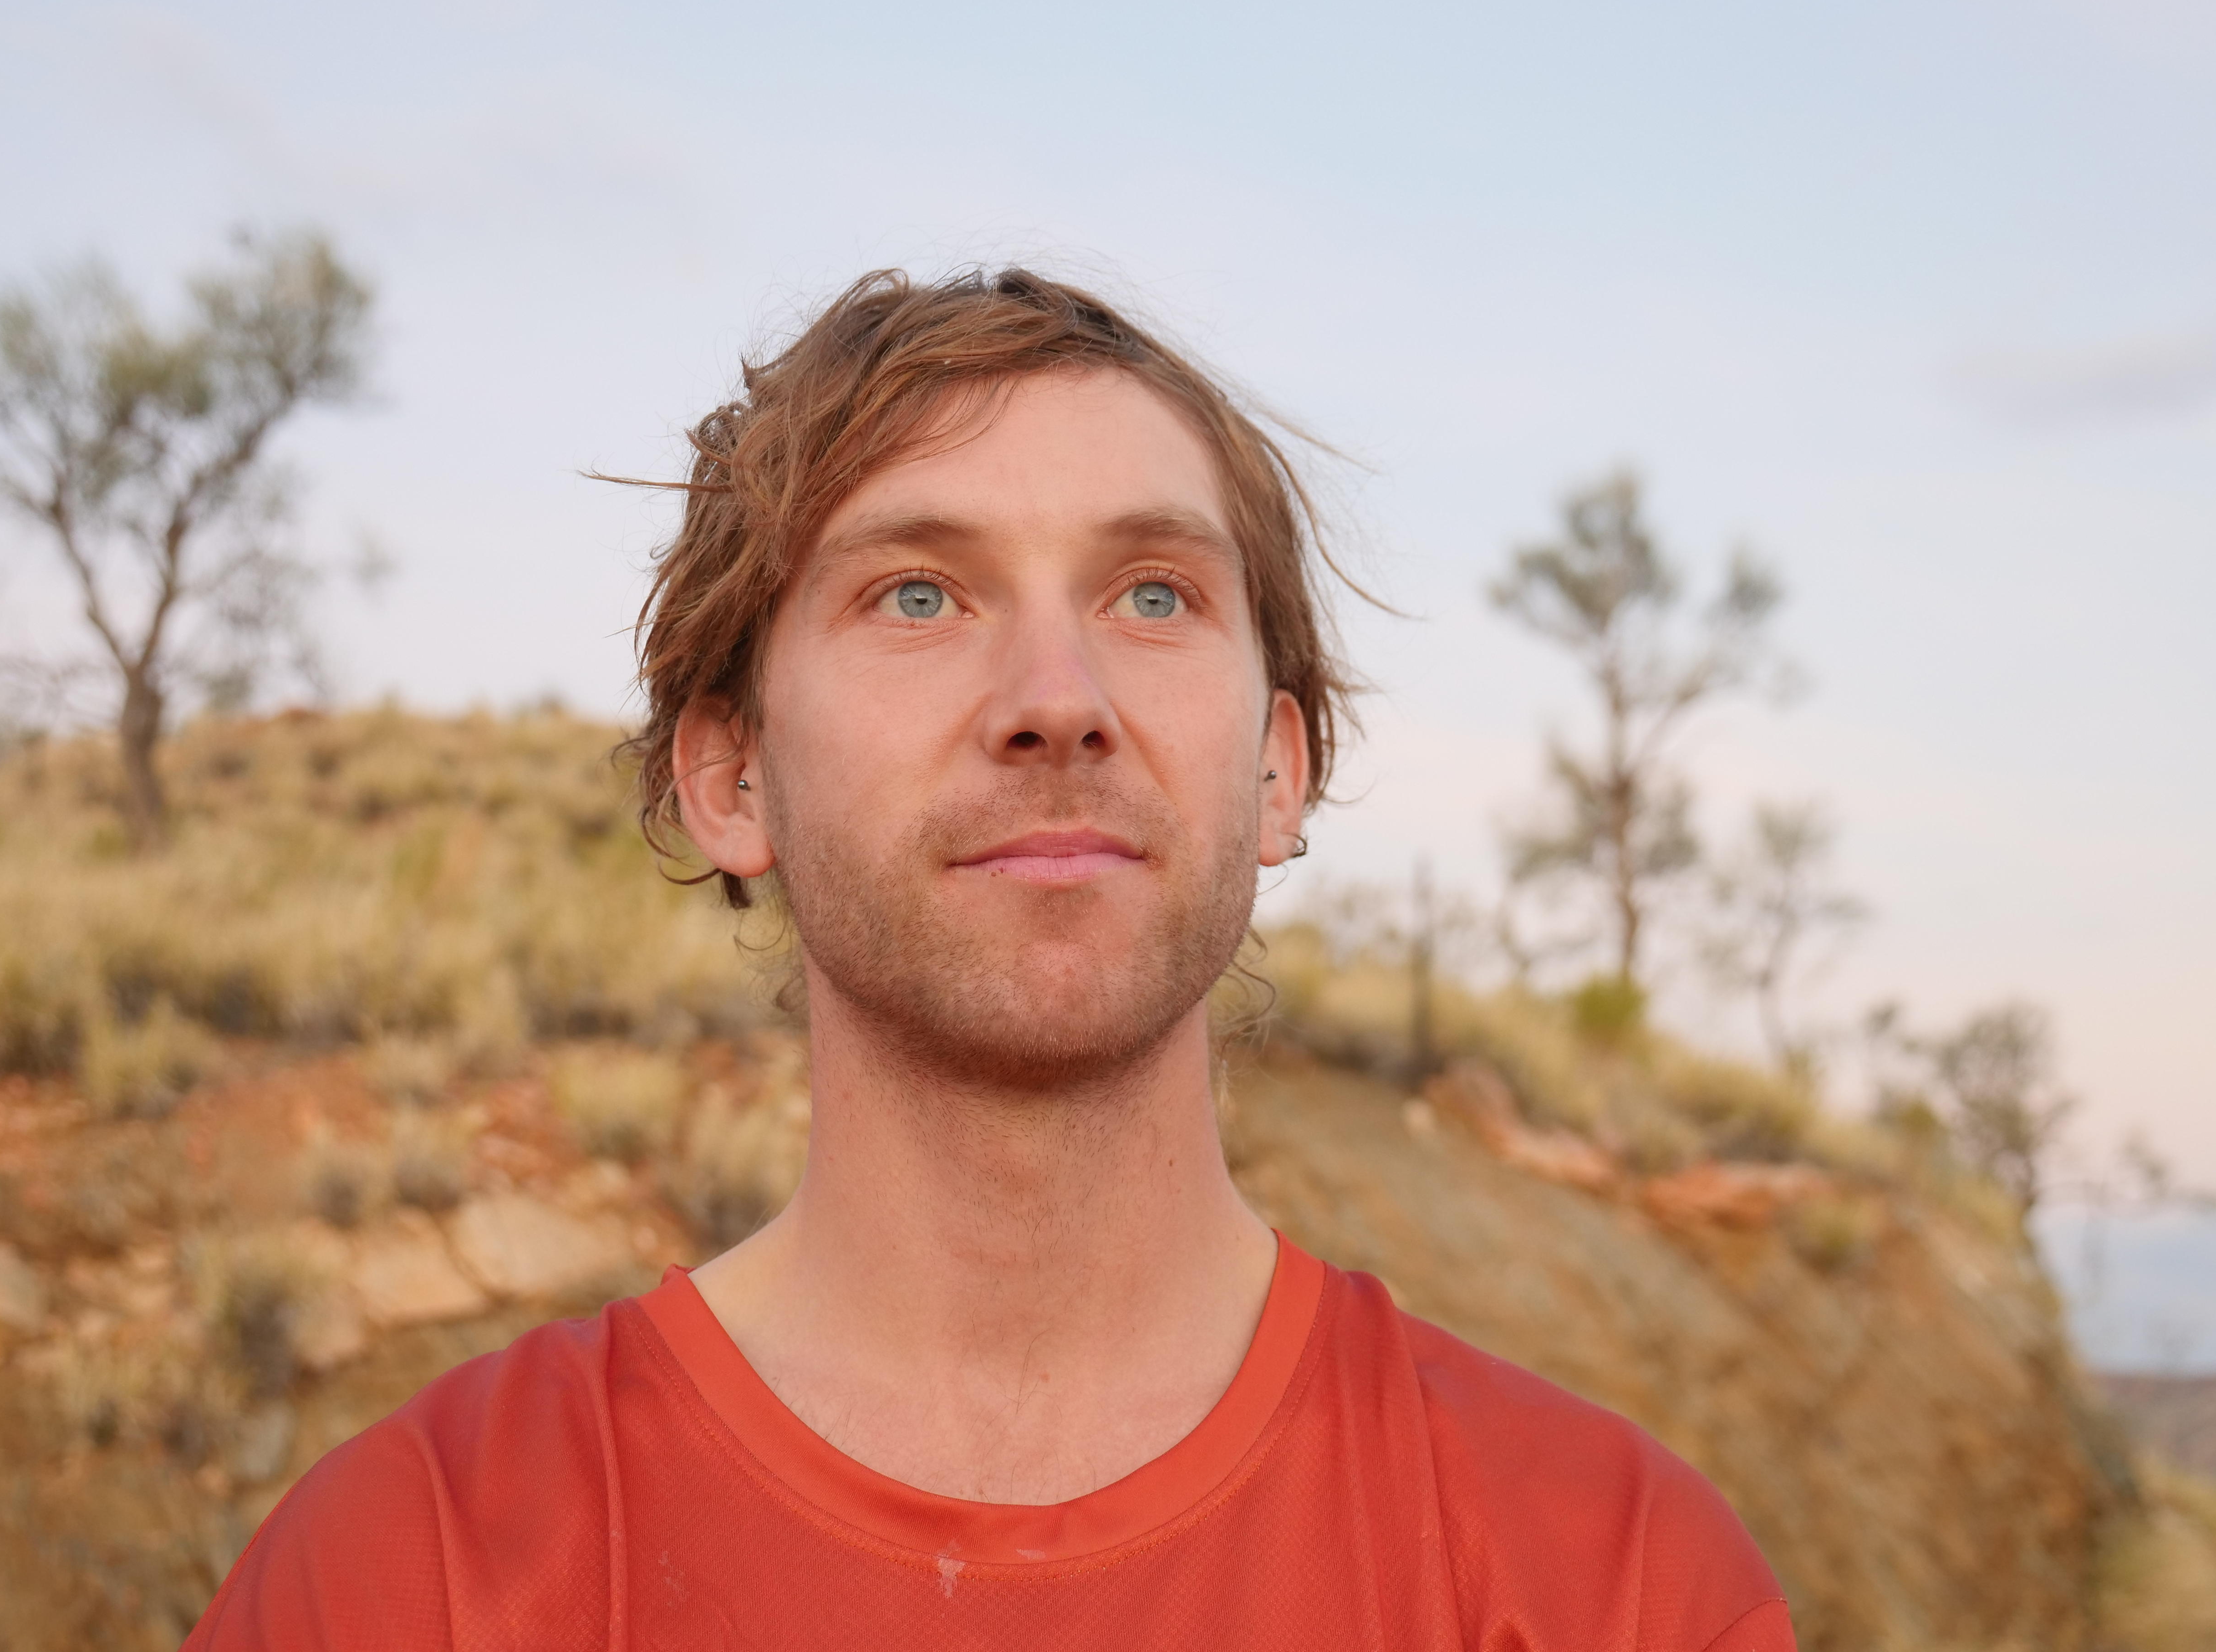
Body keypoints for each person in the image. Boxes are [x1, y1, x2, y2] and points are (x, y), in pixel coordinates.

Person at [187, 269, 1796, 1651]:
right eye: (919, 592)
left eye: (1154, 592)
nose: (1056, 692)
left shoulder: (1611, 1583)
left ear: (1277, 775)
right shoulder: (417, 1575)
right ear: (731, 776)